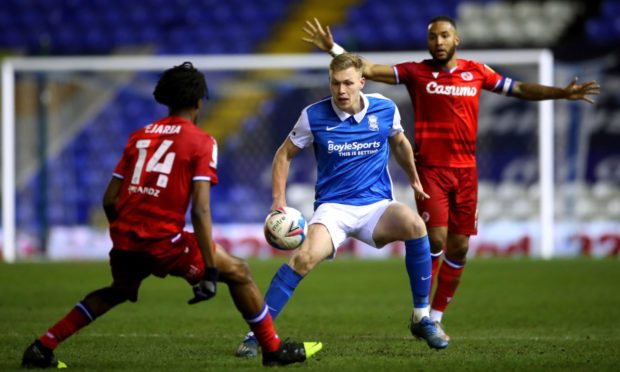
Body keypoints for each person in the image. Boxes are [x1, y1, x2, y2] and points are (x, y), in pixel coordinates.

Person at [301, 16, 601, 341]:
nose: (438, 42)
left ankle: (436, 317)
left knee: (458, 248)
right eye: (433, 37)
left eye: (444, 36)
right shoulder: (416, 72)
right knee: (436, 240)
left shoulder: (477, 72)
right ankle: (421, 314)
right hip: (430, 168)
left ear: (456, 39)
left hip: (466, 171)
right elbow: (367, 70)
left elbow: (518, 88)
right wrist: (332, 48)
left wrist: (561, 93)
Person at [21, 62, 322, 368]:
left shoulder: (139, 137)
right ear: (198, 102)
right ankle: (273, 351)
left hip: (127, 237)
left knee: (118, 291)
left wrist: (125, 238)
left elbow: (110, 199)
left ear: (166, 98)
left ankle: (42, 347)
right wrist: (209, 271)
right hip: (165, 240)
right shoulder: (201, 142)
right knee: (240, 273)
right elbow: (201, 209)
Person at [235, 53, 448, 358]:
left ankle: (421, 317)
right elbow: (284, 155)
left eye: (348, 83)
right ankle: (256, 335)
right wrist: (278, 201)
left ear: (362, 82)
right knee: (303, 259)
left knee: (415, 226)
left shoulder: (385, 109)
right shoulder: (314, 115)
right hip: (333, 210)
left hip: (376, 207)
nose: (341, 90)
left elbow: (399, 142)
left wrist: (413, 177)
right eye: (335, 83)